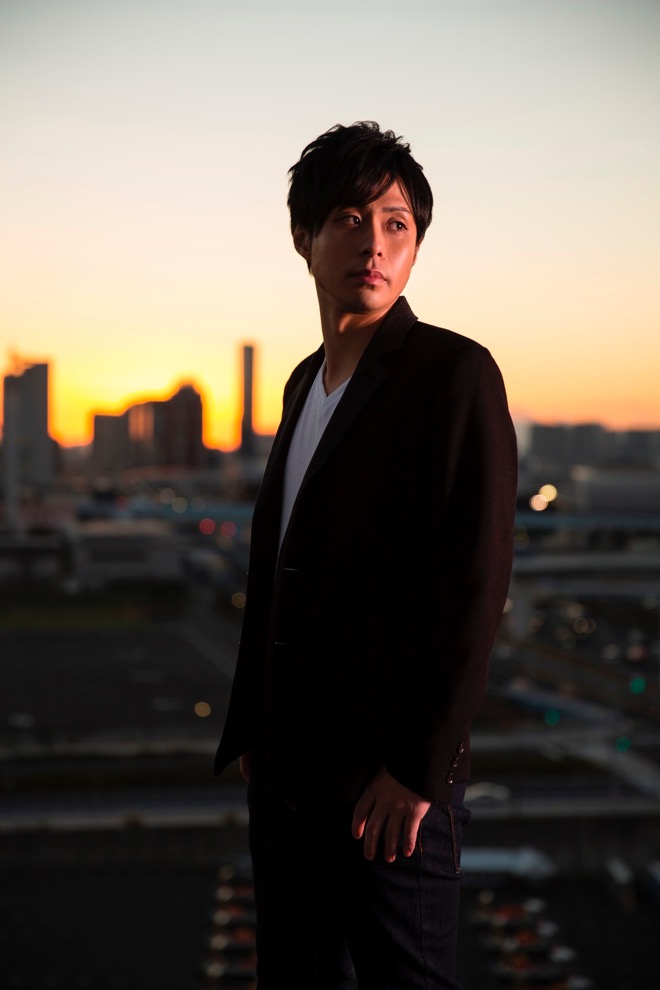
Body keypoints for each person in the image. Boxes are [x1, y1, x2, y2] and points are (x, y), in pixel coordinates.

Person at [214, 121, 518, 989]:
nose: (375, 244)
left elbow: (474, 589)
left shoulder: (453, 373)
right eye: (350, 219)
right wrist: (255, 727)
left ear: (416, 245)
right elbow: (281, 565)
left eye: (396, 225)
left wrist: (417, 772)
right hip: (286, 773)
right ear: (303, 237)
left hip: (389, 788)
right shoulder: (302, 383)